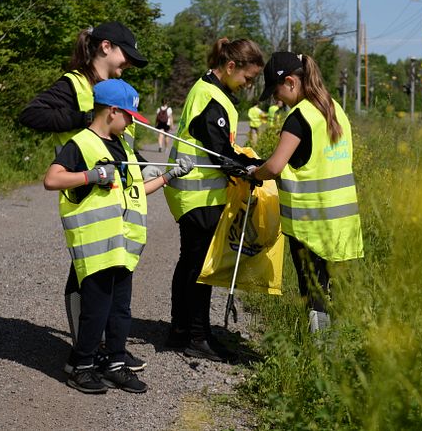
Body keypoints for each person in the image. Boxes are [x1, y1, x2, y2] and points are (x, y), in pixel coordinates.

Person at [19, 21, 156, 373]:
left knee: (108, 276)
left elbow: (120, 139)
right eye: (127, 55)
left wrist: (143, 167)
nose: (129, 64)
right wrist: (86, 118)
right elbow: (31, 114)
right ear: (105, 47)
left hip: (116, 200)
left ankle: (111, 352)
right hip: (85, 192)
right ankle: (88, 351)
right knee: (86, 274)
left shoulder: (121, 88)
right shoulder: (75, 83)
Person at [44, 79, 194, 394]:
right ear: (112, 111)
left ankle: (115, 364)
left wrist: (169, 175)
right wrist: (91, 175)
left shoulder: (123, 145)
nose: (130, 123)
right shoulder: (81, 144)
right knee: (96, 309)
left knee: (120, 309)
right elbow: (52, 178)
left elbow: (135, 189)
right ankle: (81, 365)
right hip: (96, 246)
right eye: (128, 116)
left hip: (123, 246)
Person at [163, 37, 264, 361]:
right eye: (247, 78)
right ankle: (196, 335)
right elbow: (218, 151)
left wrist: (243, 163)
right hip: (199, 194)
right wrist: (251, 170)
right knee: (199, 267)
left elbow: (219, 148)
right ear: (231, 66)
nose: (248, 85)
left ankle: (182, 329)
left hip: (193, 191)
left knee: (190, 262)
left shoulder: (209, 90)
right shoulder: (212, 97)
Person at [249, 52, 364, 332]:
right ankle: (339, 349)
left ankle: (319, 354)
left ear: (290, 82)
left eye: (276, 91)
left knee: (315, 292)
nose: (277, 99)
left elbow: (275, 166)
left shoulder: (299, 117)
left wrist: (255, 172)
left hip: (310, 224)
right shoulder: (334, 108)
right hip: (343, 221)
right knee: (338, 292)